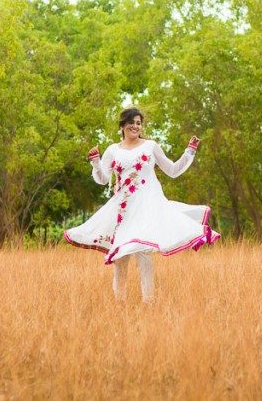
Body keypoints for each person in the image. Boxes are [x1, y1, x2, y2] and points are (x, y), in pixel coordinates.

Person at [63, 107, 220, 302]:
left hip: (147, 207)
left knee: (143, 253)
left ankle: (149, 302)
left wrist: (189, 151)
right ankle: (119, 303)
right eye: (131, 122)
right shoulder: (113, 150)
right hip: (124, 209)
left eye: (138, 123)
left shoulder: (150, 146)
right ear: (122, 126)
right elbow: (103, 179)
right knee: (121, 258)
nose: (135, 126)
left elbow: (172, 170)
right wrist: (95, 162)